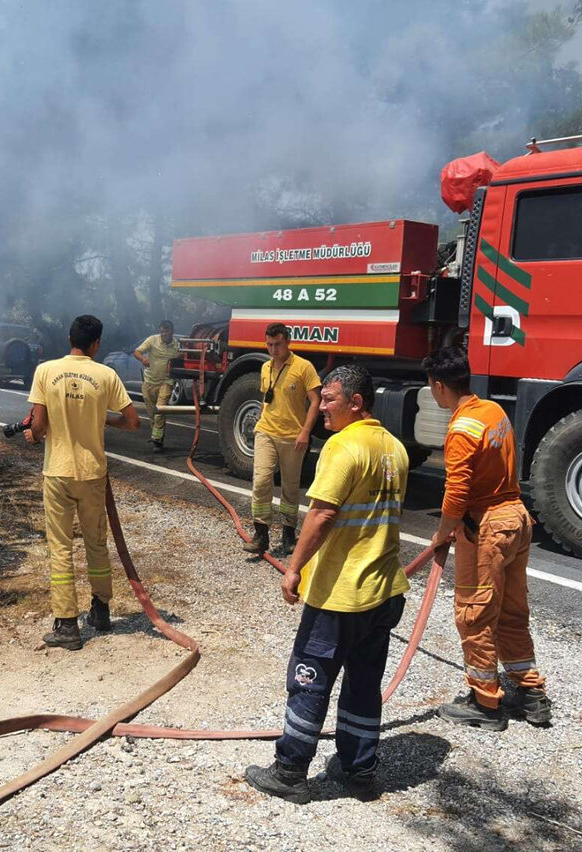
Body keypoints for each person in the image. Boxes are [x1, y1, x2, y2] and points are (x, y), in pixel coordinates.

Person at [244, 365, 410, 803]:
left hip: (341, 593)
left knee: (309, 678)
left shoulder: (342, 446)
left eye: (330, 400)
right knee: (363, 682)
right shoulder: (395, 448)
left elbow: (321, 514)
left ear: (357, 403)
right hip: (384, 591)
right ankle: (359, 770)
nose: (321, 409)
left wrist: (294, 567)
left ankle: (290, 771)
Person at [421, 346, 550, 730]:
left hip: (488, 528)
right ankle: (531, 695)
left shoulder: (461, 429)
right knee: (511, 612)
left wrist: (442, 534)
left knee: (475, 615)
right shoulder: (492, 411)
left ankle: (485, 702)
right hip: (516, 520)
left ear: (439, 387)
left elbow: (456, 493)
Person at [25, 314, 139, 650]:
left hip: (57, 473)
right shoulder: (106, 375)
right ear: (97, 343)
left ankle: (67, 626)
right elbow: (132, 422)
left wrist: (32, 434)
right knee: (96, 543)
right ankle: (101, 611)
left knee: (60, 548)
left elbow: (39, 426)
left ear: (69, 338)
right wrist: (102, 419)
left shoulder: (45, 371)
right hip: (92, 474)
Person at [242, 323, 322, 556]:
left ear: (288, 341)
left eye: (277, 344)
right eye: (269, 345)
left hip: (292, 436)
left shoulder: (304, 367)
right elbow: (268, 399)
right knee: (262, 480)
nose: (273, 349)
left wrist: (305, 432)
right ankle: (261, 533)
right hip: (266, 431)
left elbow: (315, 401)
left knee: (289, 486)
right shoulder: (265, 367)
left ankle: (288, 533)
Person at [133, 320, 180, 451]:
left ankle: (157, 440)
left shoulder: (176, 345)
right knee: (152, 413)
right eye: (162, 331)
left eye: (167, 331)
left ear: (172, 332)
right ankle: (158, 435)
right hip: (149, 382)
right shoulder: (152, 340)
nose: (164, 334)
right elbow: (136, 351)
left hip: (166, 382)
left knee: (160, 410)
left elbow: (181, 357)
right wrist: (143, 359)